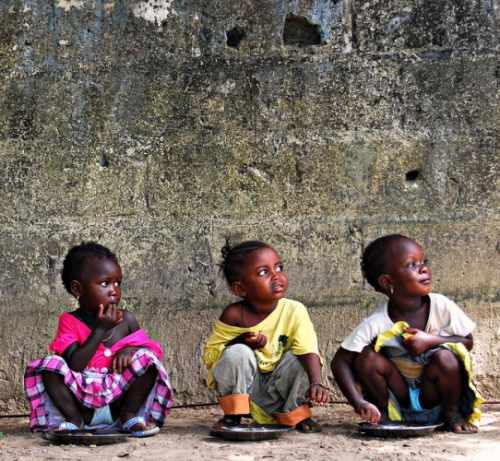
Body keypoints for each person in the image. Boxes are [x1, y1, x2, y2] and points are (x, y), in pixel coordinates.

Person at [331, 234, 483, 433]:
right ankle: (382, 416)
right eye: (412, 264)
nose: (424, 268)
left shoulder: (441, 305)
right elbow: (340, 361)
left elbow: (467, 342)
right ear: (387, 281)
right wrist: (358, 402)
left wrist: (431, 341)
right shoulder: (376, 321)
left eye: (424, 261)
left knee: (446, 357)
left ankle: (452, 415)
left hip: (435, 396)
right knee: (366, 356)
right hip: (399, 397)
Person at [24, 242, 173, 436]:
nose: (114, 291)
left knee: (148, 359)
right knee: (49, 366)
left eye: (117, 283)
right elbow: (75, 364)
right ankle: (74, 419)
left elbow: (152, 351)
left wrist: (131, 350)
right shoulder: (69, 321)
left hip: (117, 402)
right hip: (81, 403)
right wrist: (101, 329)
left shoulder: (126, 320)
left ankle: (128, 416)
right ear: (77, 289)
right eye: (105, 283)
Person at [203, 239, 330, 433]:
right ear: (241, 289)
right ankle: (233, 415)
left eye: (279, 268)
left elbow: (307, 349)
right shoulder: (234, 314)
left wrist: (317, 383)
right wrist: (240, 341)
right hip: (248, 390)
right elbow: (210, 357)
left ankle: (295, 414)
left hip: (280, 390)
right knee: (237, 352)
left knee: (301, 358)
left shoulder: (295, 310)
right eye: (264, 272)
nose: (276, 276)